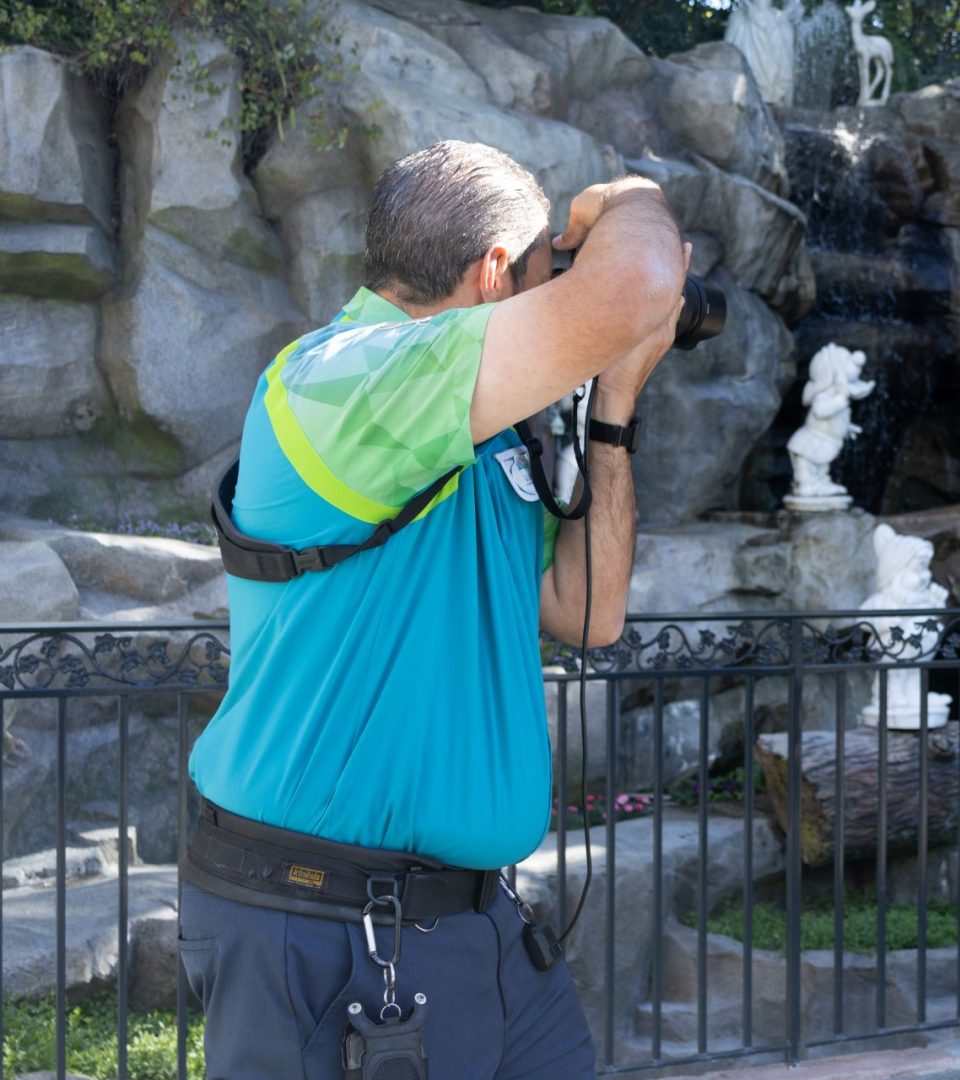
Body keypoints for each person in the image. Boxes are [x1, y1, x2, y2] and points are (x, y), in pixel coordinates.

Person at [178, 140, 691, 1078]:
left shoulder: (481, 440)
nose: (555, 304)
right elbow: (643, 279)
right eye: (546, 278)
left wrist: (611, 405)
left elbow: (588, 612)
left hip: (473, 927)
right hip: (325, 928)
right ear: (497, 275)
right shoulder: (347, 379)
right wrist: (632, 198)